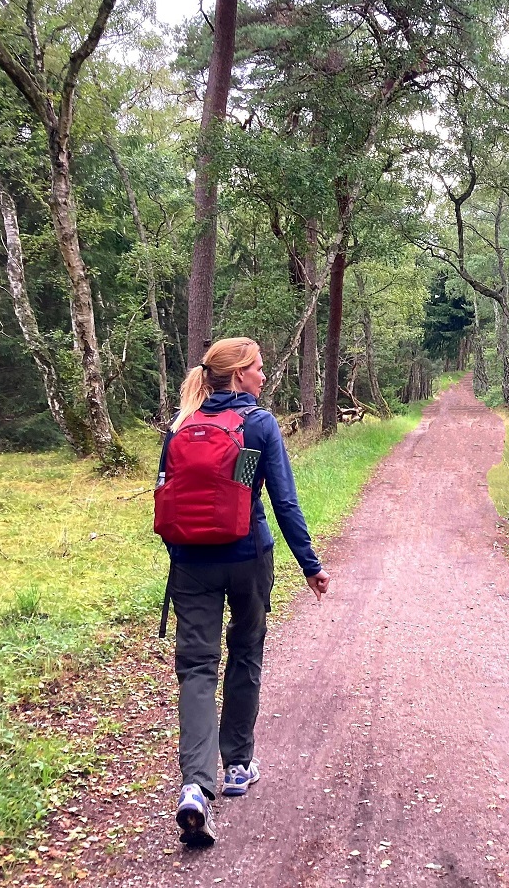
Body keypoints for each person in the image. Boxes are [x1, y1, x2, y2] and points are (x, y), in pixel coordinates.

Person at [158, 337, 330, 846]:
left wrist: (185, 557)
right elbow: (280, 501)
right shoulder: (256, 424)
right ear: (238, 376)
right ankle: (236, 765)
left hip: (191, 564)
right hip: (247, 557)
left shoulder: (180, 425)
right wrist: (310, 566)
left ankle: (194, 785)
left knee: (195, 667)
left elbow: (166, 497)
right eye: (258, 369)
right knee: (246, 651)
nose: (263, 376)